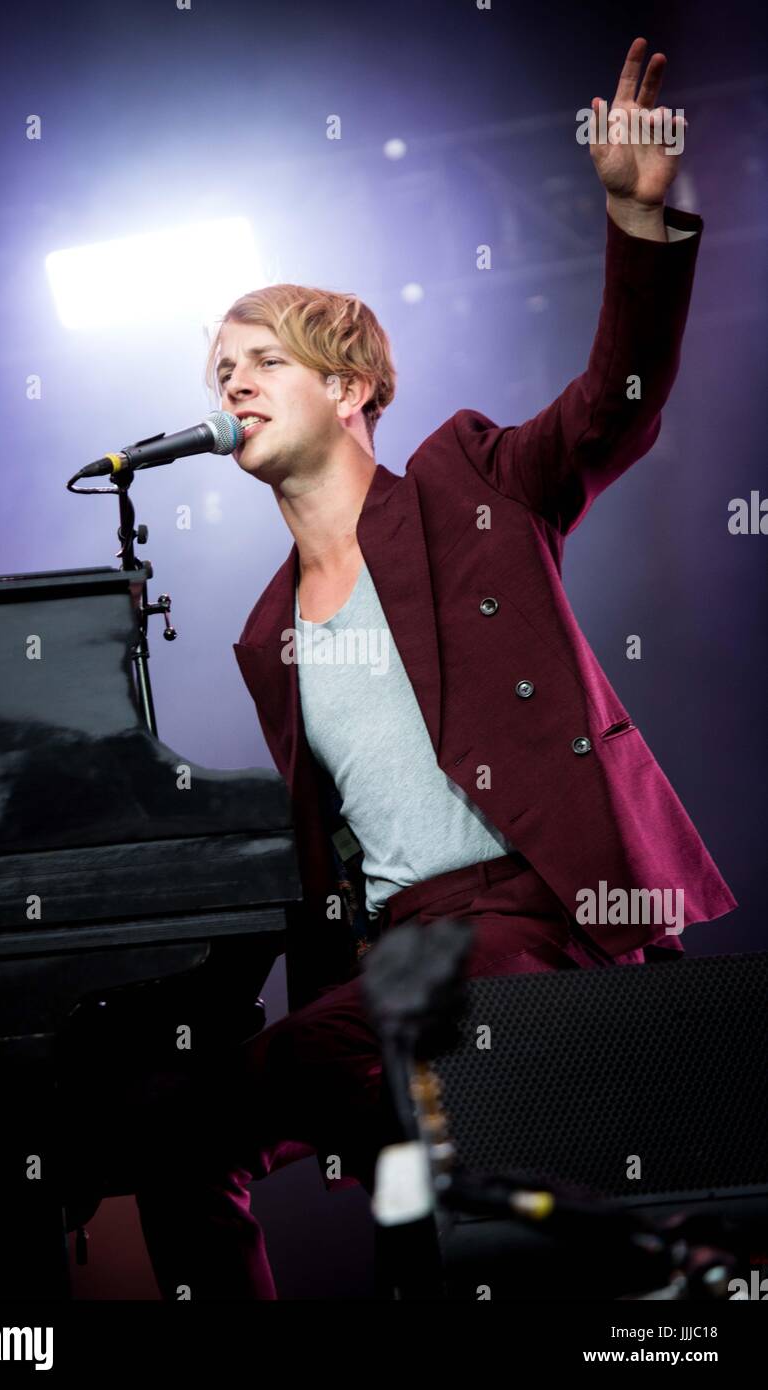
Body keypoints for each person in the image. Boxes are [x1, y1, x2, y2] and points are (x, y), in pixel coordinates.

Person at [136, 37, 736, 1299]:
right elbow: (316, 861)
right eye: (218, 368)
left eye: (262, 358)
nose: (230, 380)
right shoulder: (265, 631)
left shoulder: (467, 483)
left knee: (447, 1164)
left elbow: (610, 406)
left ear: (351, 386)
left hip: (533, 924)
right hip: (400, 957)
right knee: (187, 1137)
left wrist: (636, 223)